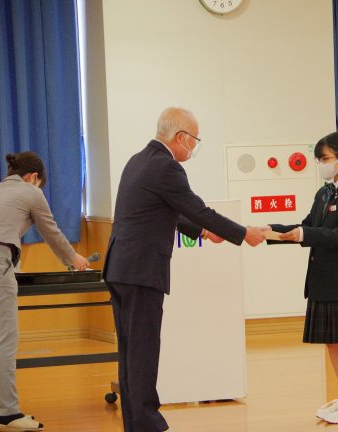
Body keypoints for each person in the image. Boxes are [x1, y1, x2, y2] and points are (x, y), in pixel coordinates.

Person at [103, 107, 264, 432]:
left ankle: (137, 423)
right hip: (141, 270)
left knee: (131, 350)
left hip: (120, 267)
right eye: (195, 139)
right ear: (180, 137)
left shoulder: (138, 160)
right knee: (143, 350)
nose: (194, 146)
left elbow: (170, 211)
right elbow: (197, 208)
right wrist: (243, 233)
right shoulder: (167, 167)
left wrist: (202, 232)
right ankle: (147, 424)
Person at [264, 131, 338, 424]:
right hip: (322, 280)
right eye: (319, 159)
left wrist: (304, 234)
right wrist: (269, 231)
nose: (321, 164)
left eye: (324, 158)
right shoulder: (324, 193)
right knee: (333, 342)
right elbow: (307, 226)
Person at [0, 151, 90, 431]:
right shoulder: (31, 192)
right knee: (2, 340)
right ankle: (8, 413)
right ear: (33, 177)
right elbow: (50, 232)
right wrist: (74, 259)